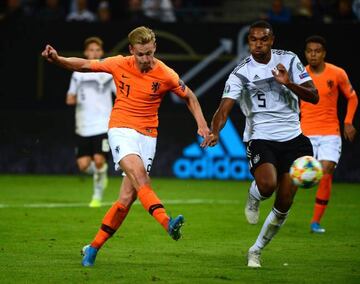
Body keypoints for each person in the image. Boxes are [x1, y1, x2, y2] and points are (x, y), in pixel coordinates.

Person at [41, 26, 210, 267]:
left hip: (149, 136)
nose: (145, 59)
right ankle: (167, 221)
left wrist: (202, 125)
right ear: (132, 50)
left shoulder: (165, 73)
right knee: (141, 178)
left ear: (155, 49)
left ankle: (93, 248)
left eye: (149, 53)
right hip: (121, 129)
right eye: (141, 54)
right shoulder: (119, 63)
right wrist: (57, 59)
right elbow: (85, 65)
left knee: (126, 199)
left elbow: (190, 97)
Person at [201, 20, 319, 268]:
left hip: (294, 139)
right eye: (253, 39)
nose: (258, 44)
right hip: (260, 137)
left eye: (263, 39)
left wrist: (287, 83)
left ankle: (256, 250)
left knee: (284, 201)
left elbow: (314, 96)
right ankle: (254, 196)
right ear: (249, 42)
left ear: (271, 40)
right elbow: (224, 109)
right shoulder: (241, 72)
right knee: (267, 185)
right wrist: (215, 132)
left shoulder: (289, 60)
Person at [302, 35, 358, 233]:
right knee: (294, 177)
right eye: (310, 51)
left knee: (326, 171)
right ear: (305, 53)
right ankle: (280, 213)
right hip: (304, 132)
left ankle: (315, 222)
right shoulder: (300, 75)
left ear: (324, 53)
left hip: (329, 133)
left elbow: (352, 97)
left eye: (317, 51)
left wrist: (348, 121)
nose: (313, 54)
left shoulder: (337, 73)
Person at [66, 36, 115, 208]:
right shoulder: (77, 73)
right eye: (91, 50)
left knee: (99, 160)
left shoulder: (108, 71)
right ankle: (101, 174)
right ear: (86, 52)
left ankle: (97, 196)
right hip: (83, 125)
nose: (94, 52)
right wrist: (72, 98)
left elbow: (120, 93)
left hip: (103, 124)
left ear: (101, 52)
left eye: (97, 50)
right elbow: (70, 97)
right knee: (84, 165)